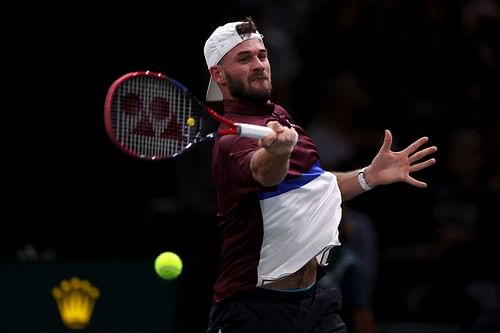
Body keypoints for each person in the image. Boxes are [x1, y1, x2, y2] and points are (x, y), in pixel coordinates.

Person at [203, 17, 437, 333]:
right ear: (219, 74)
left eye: (262, 55)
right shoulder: (231, 141)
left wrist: (369, 176)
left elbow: (317, 187)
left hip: (314, 304)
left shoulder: (280, 118)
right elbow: (265, 174)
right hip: (253, 310)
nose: (259, 65)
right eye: (244, 59)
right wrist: (277, 152)